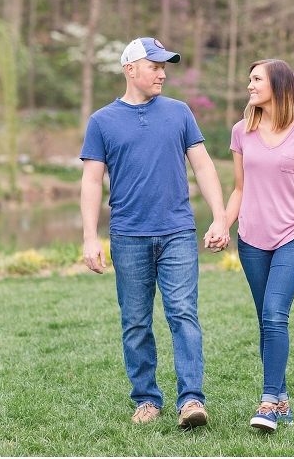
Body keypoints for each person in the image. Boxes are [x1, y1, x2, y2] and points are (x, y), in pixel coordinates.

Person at [80, 37, 229, 428]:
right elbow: (92, 182)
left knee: (183, 314)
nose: (163, 73)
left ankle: (192, 400)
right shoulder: (102, 121)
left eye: (166, 67)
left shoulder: (179, 112)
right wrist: (89, 237)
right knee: (135, 321)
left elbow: (204, 166)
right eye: (155, 66)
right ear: (131, 69)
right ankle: (146, 399)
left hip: (178, 231)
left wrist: (220, 217)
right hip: (128, 235)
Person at [225, 59, 294, 431]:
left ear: (278, 86)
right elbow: (239, 188)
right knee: (265, 321)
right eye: (249, 79)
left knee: (274, 315)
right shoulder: (241, 131)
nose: (249, 86)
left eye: (256, 80)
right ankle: (282, 399)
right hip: (251, 238)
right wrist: (222, 222)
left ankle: (267, 402)